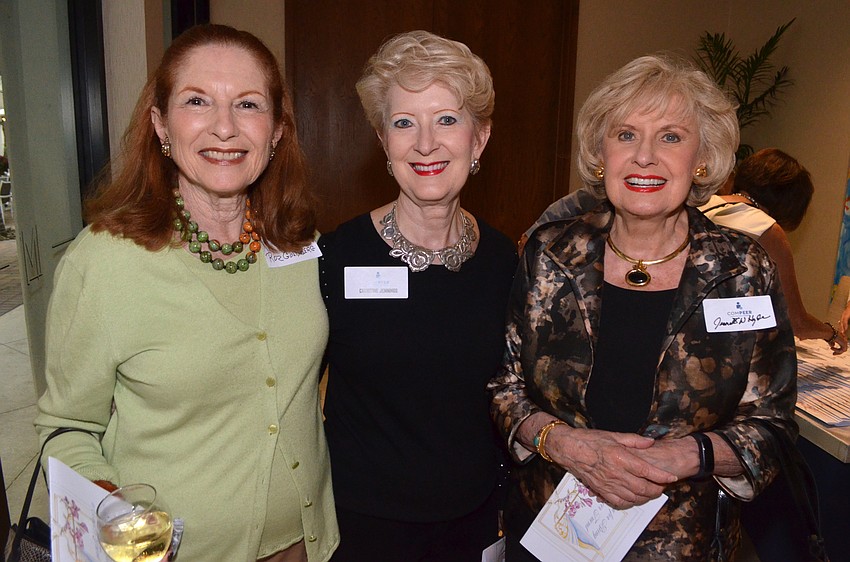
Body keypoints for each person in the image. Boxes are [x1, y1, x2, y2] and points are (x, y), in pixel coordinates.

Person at [35, 24, 337, 562]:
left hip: (307, 545)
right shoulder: (103, 262)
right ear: (161, 124)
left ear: (276, 132)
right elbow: (67, 427)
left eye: (247, 104)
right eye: (197, 101)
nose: (225, 127)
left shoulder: (298, 244)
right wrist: (111, 510)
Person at [489, 55, 797, 561]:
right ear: (600, 154)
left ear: (701, 157)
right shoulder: (549, 253)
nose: (645, 157)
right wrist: (565, 444)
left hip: (685, 542)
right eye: (626, 135)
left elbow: (774, 426)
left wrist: (685, 456)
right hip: (551, 535)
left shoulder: (741, 270)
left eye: (671, 137)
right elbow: (504, 386)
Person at [318, 30, 517, 561]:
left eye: (447, 120)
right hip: (361, 529)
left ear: (480, 140)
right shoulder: (332, 258)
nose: (425, 143)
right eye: (404, 122)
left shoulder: (508, 262)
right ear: (384, 142)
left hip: (477, 523)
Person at [700, 148, 846, 354]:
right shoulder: (766, 229)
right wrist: (829, 332)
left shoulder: (699, 206)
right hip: (722, 350)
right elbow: (796, 321)